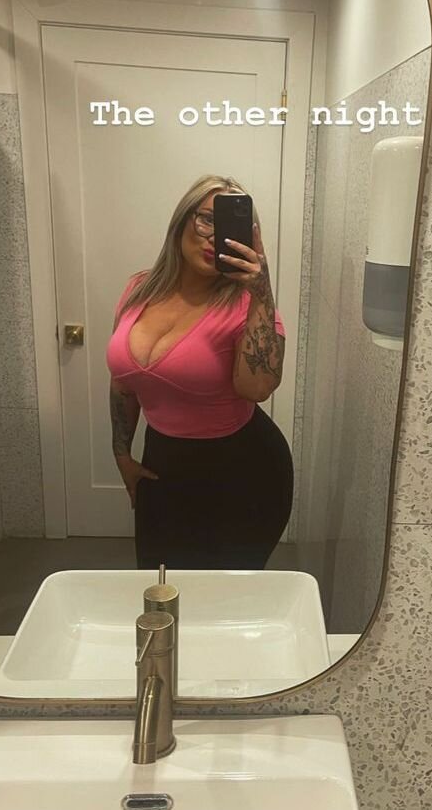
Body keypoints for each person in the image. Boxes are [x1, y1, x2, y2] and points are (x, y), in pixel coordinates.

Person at [106, 175, 293, 570]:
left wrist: (261, 290)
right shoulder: (138, 289)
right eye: (207, 219)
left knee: (228, 595)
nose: (215, 237)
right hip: (162, 462)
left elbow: (257, 387)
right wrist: (121, 452)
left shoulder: (247, 306)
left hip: (243, 470)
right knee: (161, 585)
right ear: (182, 220)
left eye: (229, 227)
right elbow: (123, 383)